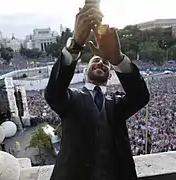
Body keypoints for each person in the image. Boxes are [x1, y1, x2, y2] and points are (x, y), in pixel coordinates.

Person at [44, 6, 149, 180]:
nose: (101, 63)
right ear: (85, 72)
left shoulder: (117, 104)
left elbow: (140, 97)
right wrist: (75, 45)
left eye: (106, 63)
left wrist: (117, 58)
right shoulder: (72, 99)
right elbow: (53, 93)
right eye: (96, 60)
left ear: (109, 76)